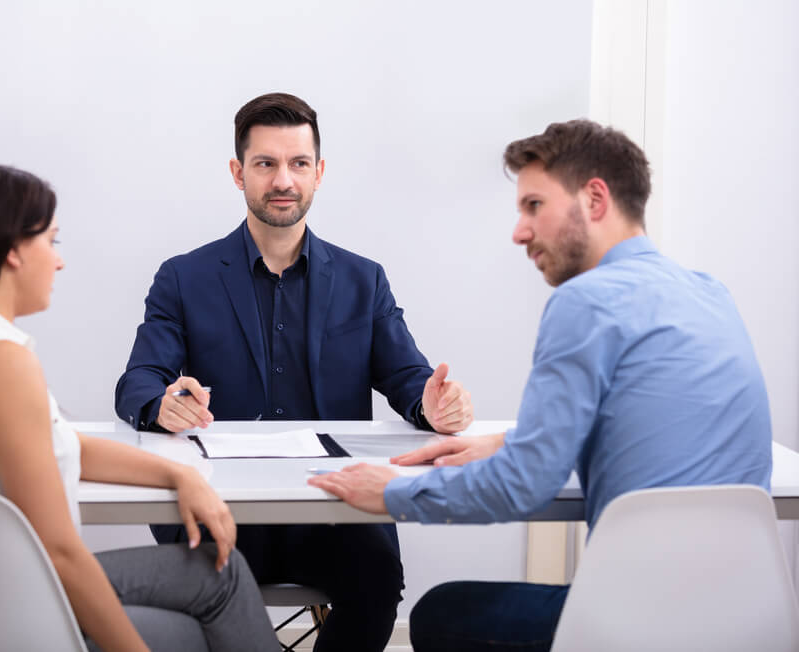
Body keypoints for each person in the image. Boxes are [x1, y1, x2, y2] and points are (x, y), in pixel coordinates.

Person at [308, 119, 773, 652]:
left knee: (439, 612)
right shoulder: (709, 294)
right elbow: (650, 424)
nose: (519, 231)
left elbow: (520, 487)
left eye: (533, 206)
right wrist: (513, 441)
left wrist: (391, 492)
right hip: (750, 618)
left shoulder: (586, 301)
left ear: (594, 198)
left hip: (636, 623)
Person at [115, 92, 473, 651]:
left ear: (319, 172)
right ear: (239, 173)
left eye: (298, 163)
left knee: (377, 578)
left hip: (332, 511)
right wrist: (161, 403)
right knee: (195, 595)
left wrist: (434, 406)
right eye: (266, 164)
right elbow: (137, 381)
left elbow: (409, 379)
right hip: (219, 508)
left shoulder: (364, 279)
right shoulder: (184, 277)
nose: (283, 179)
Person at [0, 164, 280, 652]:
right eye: (52, 241)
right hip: (10, 608)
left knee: (217, 573)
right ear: (12, 250)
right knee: (213, 594)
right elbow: (60, 554)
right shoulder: (2, 361)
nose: (58, 262)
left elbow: (59, 447)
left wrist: (179, 476)